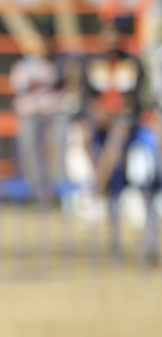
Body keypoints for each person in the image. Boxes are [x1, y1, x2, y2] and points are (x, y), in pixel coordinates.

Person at [83, 20, 154, 261]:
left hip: (125, 123)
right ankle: (100, 177)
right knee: (85, 132)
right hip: (100, 124)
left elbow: (133, 98)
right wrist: (98, 112)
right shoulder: (94, 64)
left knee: (118, 132)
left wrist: (114, 112)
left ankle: (96, 187)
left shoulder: (133, 64)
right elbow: (88, 97)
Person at [10, 26, 71, 204]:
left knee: (63, 131)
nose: (46, 46)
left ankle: (58, 187)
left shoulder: (63, 64)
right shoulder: (25, 66)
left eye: (49, 41)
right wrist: (36, 109)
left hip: (57, 115)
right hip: (33, 116)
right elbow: (16, 96)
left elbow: (70, 95)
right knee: (28, 133)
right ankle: (36, 188)